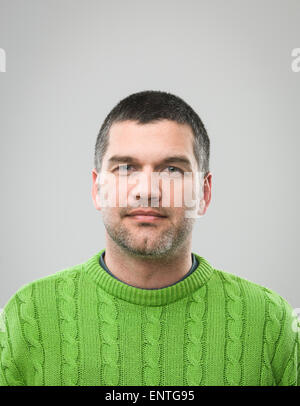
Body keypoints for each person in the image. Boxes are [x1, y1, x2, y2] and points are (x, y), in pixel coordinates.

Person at [0, 90, 299, 386]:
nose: (147, 191)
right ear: (97, 189)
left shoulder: (271, 322)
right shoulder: (28, 315)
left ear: (204, 193)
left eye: (171, 169)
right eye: (126, 168)